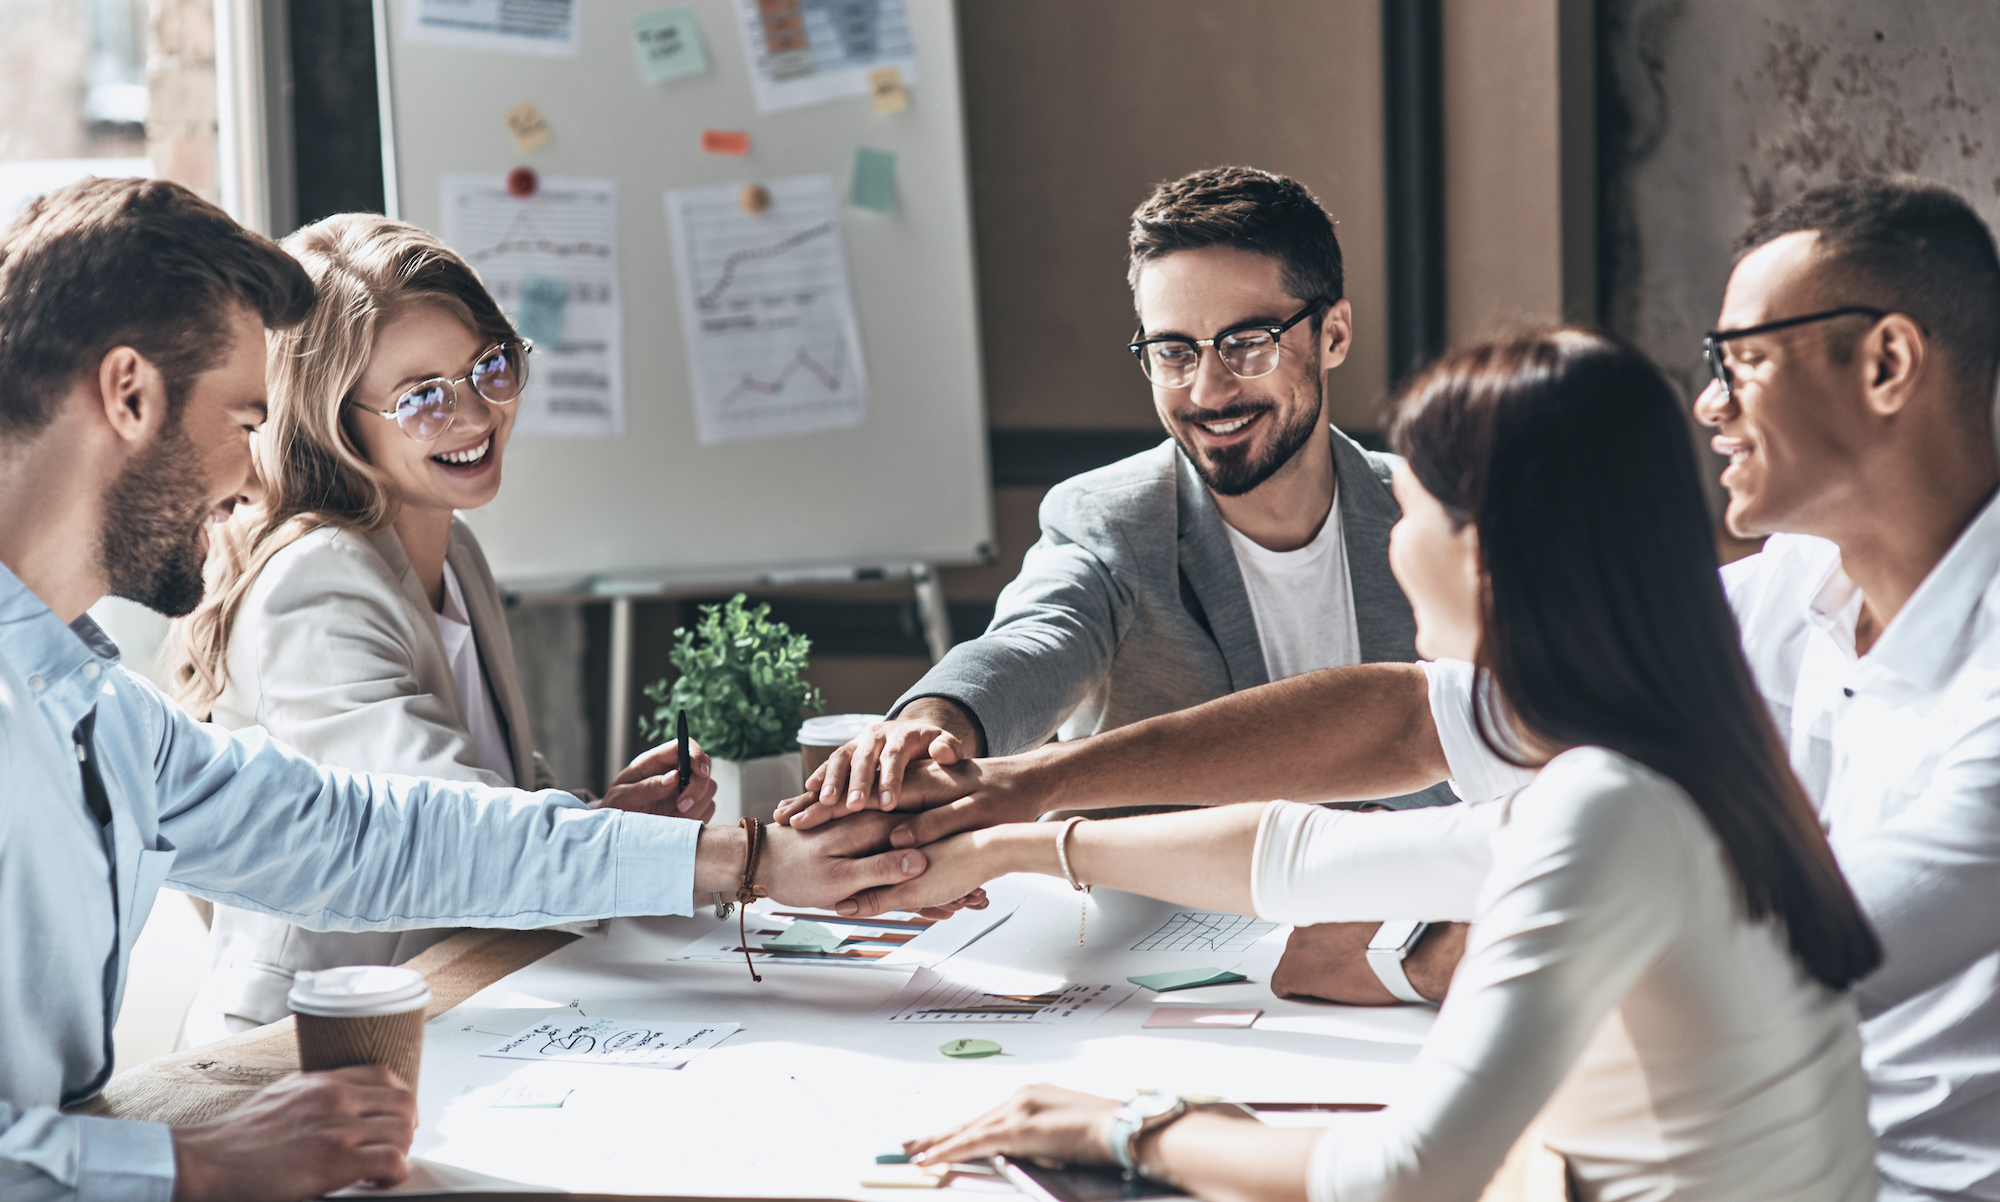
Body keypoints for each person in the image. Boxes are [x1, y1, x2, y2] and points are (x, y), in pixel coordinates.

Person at [794, 177, 2000, 1201]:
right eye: (1171, 348)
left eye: (1738, 361)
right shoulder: (1768, 606)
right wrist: (1017, 824)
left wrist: (1133, 1118)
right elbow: (1384, 780)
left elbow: (1780, 941)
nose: (1708, 402)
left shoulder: (1627, 794)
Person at [0, 177, 929, 1202]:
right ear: (128, 393)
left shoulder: (96, 704)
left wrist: (740, 856)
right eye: (241, 416)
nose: (250, 468)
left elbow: (371, 837)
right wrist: (200, 1162)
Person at [166, 213, 718, 1044]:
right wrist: (682, 855)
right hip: (307, 1050)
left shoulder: (452, 549)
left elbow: (475, 802)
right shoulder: (317, 583)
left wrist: (602, 814)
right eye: (423, 397)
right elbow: (440, 837)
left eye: (488, 368)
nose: (474, 414)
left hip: (448, 1004)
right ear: (334, 422)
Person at [805, 166, 1451, 816]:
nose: (1206, 390)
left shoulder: (1436, 519)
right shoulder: (1109, 524)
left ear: (1333, 334)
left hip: (1419, 906)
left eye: (1248, 343)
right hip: (1183, 915)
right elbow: (1033, 639)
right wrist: (939, 718)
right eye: (1173, 352)